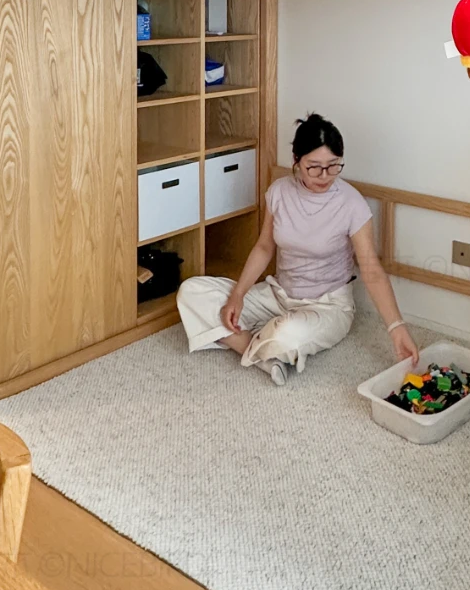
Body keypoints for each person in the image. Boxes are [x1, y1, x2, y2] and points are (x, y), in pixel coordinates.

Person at [176, 113, 421, 386]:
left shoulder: (352, 204)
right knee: (192, 292)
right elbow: (264, 247)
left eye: (333, 166)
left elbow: (371, 269)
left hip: (327, 307)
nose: (324, 176)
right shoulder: (279, 192)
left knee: (288, 334)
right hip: (277, 295)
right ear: (297, 160)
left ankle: (257, 340)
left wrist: (396, 327)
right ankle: (267, 356)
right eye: (314, 167)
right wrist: (238, 295)